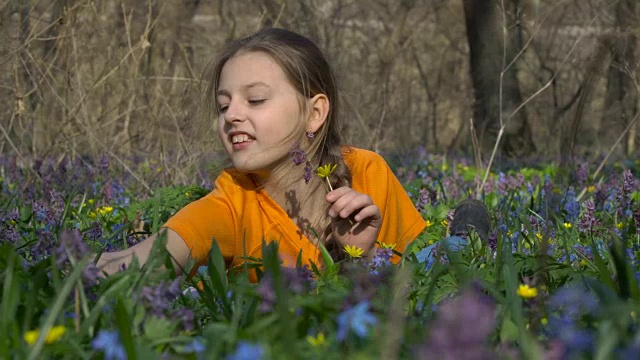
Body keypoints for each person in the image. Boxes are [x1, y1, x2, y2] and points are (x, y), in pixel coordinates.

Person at [97, 28, 426, 281]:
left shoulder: (369, 173)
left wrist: (363, 259)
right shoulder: (231, 204)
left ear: (314, 113)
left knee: (454, 248)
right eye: (223, 105)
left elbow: (424, 282)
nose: (230, 115)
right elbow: (143, 259)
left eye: (255, 99)